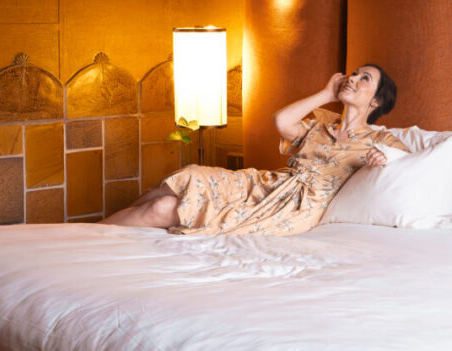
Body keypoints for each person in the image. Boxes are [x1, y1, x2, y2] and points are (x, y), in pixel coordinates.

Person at [109, 64, 406, 236]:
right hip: (267, 184)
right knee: (188, 175)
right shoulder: (321, 125)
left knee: (164, 208)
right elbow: (281, 120)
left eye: (364, 78)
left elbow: (411, 162)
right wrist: (326, 94)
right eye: (353, 73)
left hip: (294, 206)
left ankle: (86, 234)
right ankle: (86, 233)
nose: (352, 78)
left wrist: (388, 158)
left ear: (377, 101)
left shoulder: (380, 139)